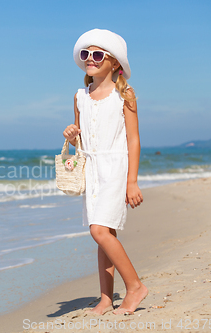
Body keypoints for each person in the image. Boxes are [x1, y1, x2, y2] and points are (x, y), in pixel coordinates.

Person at [63, 28, 148, 315]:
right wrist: (72, 134)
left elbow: (133, 140)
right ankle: (105, 299)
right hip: (92, 169)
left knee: (98, 231)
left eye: (97, 54)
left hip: (115, 168)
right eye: (86, 54)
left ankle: (135, 286)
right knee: (105, 233)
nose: (90, 58)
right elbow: (81, 139)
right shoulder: (80, 97)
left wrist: (132, 181)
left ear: (114, 63)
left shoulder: (125, 95)